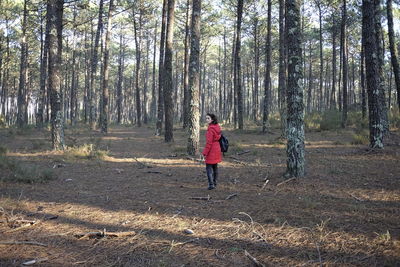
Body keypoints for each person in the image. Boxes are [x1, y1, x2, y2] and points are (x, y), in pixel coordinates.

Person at [202, 113, 222, 190]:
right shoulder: (217, 127)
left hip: (212, 150)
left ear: (212, 119)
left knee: (209, 168)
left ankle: (211, 184)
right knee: (215, 167)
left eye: (208, 118)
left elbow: (209, 143)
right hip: (217, 148)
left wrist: (205, 153)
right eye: (206, 118)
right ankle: (215, 182)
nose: (206, 120)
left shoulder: (210, 129)